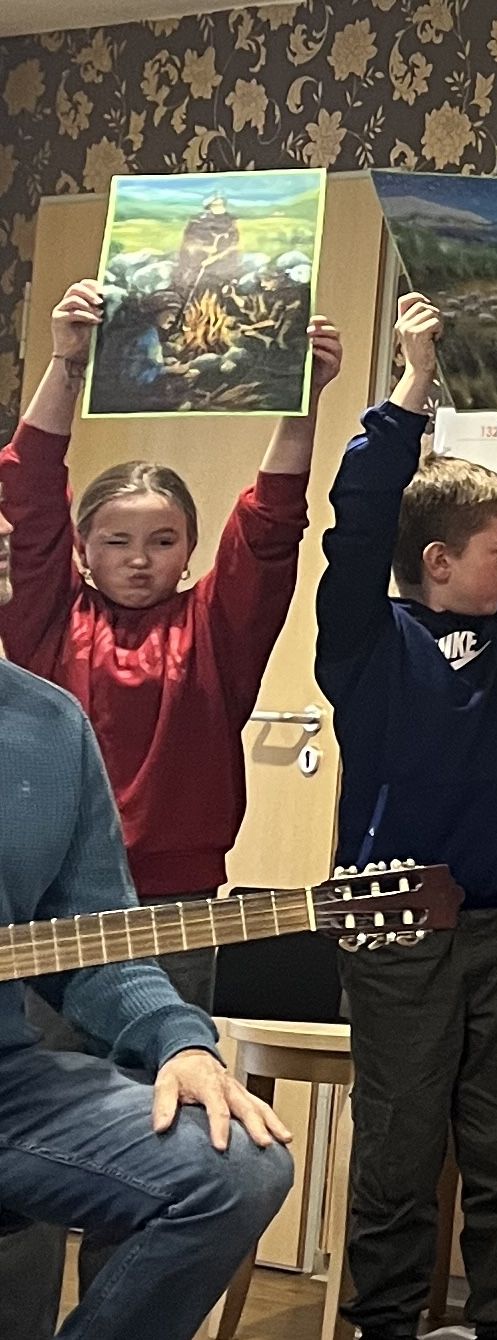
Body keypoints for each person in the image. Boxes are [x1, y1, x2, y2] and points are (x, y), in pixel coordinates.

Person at [315, 293, 497, 1340]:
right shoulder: (364, 640)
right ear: (437, 559)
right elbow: (357, 523)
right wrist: (412, 383)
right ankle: (383, 1323)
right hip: (397, 934)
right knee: (397, 1148)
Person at [0, 279, 341, 1013]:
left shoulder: (216, 629)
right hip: (49, 898)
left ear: (189, 550)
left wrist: (302, 396)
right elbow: (27, 494)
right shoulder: (46, 620)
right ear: (82, 550)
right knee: (42, 1079)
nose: (138, 559)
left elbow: (271, 524)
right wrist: (66, 364)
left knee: (165, 1072)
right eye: (115, 541)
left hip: (177, 903)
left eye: (162, 541)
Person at [0, 495, 294, 1340]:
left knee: (237, 1167)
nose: (6, 532)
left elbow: (96, 939)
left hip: (9, 1085)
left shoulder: (51, 725)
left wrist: (181, 1040)